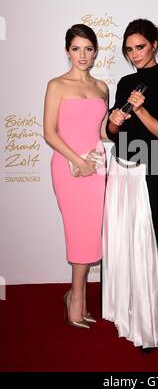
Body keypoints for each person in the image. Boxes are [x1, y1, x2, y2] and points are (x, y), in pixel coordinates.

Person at [102, 18, 158, 351]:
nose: (135, 54)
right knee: (121, 242)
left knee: (147, 243)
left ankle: (152, 318)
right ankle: (126, 310)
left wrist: (140, 108)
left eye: (141, 47)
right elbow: (111, 133)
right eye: (129, 49)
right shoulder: (124, 81)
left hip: (145, 171)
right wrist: (114, 121)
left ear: (154, 44)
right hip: (118, 169)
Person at [43, 24, 108, 329]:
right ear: (67, 50)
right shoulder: (56, 85)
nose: (82, 55)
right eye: (76, 48)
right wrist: (77, 162)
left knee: (90, 231)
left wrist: (122, 118)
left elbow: (103, 131)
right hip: (68, 166)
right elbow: (49, 133)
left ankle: (75, 294)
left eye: (88, 48)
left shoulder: (102, 87)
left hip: (96, 166)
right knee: (77, 229)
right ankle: (77, 298)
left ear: (95, 51)